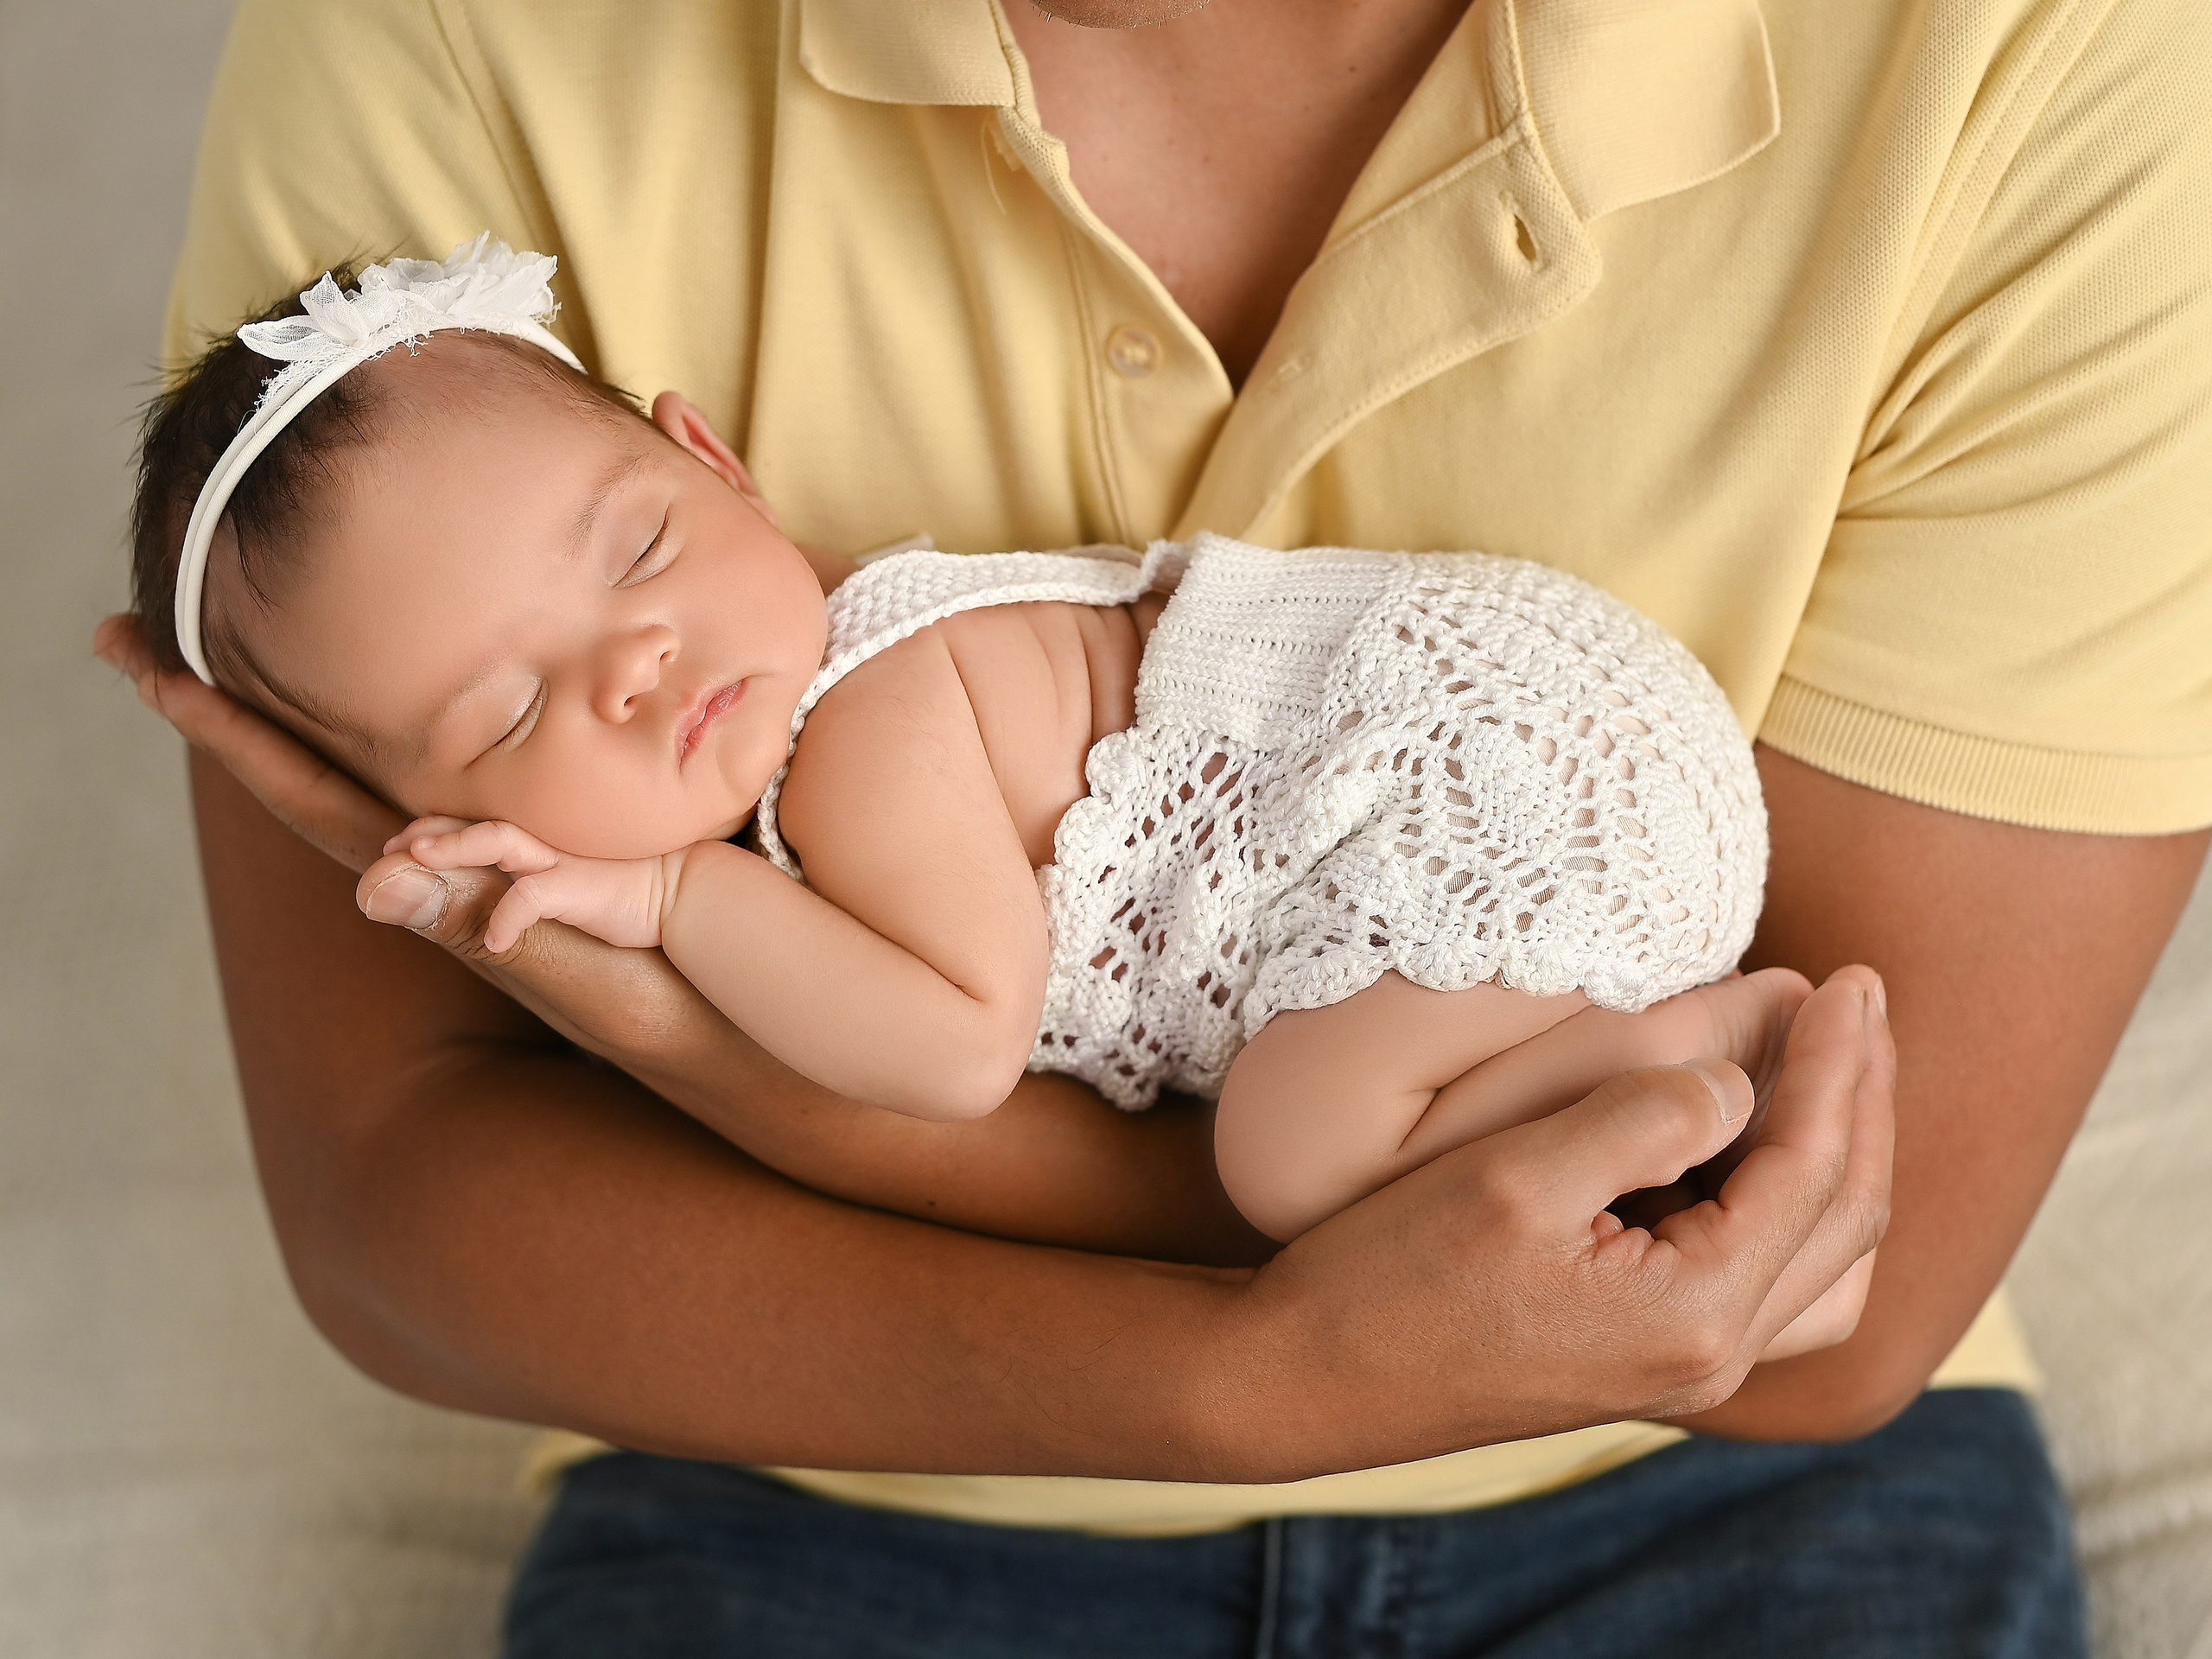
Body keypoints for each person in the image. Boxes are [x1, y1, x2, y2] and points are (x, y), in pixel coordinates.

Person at [95, 0, 2211, 1652]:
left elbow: (1815, 1276)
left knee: (1309, 1135)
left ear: (710, 454)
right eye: (503, 710)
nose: (633, 671)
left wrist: (669, 971)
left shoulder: (859, 729)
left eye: (638, 549)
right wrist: (1248, 1373)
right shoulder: (406, 192)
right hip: (813, 1465)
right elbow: (395, 1206)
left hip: (1718, 1486)